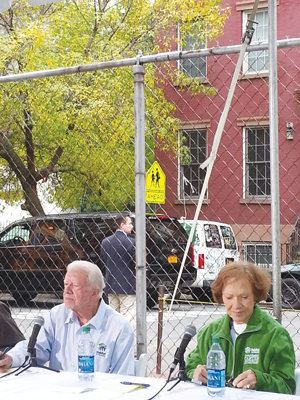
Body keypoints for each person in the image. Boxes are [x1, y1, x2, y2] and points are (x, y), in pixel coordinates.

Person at [0, 260, 135, 375]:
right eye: (65, 285)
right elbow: (36, 348)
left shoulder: (119, 327)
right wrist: (10, 358)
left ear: (94, 292)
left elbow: (122, 379)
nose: (67, 291)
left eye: (75, 286)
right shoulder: (57, 315)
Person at [185, 261, 296, 395]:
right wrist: (195, 374)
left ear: (256, 295)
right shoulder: (209, 333)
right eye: (229, 297)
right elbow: (188, 370)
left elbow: (287, 387)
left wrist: (260, 380)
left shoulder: (276, 335)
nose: (236, 305)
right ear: (221, 296)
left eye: (244, 297)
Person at [100, 214, 136, 324]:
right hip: (128, 285)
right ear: (122, 225)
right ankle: (125, 336)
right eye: (130, 223)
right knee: (128, 314)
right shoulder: (132, 242)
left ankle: (114, 337)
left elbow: (103, 261)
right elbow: (135, 263)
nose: (132, 226)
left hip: (110, 284)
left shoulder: (105, 242)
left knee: (113, 315)